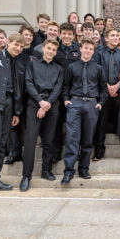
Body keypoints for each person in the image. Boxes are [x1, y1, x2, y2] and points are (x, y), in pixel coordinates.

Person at [61, 38, 108, 185]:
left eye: (90, 49)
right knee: (72, 138)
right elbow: (65, 86)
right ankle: (69, 171)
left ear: (93, 51)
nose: (87, 51)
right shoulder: (72, 67)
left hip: (91, 105)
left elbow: (104, 89)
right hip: (74, 103)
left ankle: (84, 168)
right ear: (80, 49)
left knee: (88, 139)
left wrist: (100, 103)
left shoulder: (98, 68)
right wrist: (66, 100)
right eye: (85, 48)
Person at [19, 39, 64, 191]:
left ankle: (46, 170)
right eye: (49, 48)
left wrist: (47, 104)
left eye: (53, 49)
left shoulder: (59, 68)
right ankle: (26, 176)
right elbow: (28, 83)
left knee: (50, 139)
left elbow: (58, 88)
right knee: (30, 140)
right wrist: (40, 102)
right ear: (43, 48)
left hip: (52, 105)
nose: (51, 51)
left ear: (56, 52)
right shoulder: (32, 64)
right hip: (34, 104)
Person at [0, 33, 25, 192]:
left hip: (9, 105)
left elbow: (18, 90)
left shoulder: (18, 64)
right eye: (16, 44)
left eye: (21, 46)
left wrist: (16, 112)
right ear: (8, 42)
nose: (18, 48)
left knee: (1, 144)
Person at [93, 28, 120, 159]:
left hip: (119, 93)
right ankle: (99, 151)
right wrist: (107, 86)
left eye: (117, 36)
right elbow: (97, 70)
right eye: (112, 35)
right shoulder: (98, 53)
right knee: (101, 123)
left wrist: (117, 86)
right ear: (106, 38)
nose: (115, 38)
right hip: (103, 92)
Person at [5, 25, 35, 165]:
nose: (28, 37)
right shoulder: (8, 57)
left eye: (30, 35)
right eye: (25, 35)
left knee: (24, 125)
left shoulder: (35, 53)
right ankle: (13, 151)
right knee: (13, 126)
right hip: (10, 97)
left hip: (26, 95)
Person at [52, 23, 81, 163]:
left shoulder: (78, 50)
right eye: (64, 33)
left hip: (73, 91)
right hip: (56, 91)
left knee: (74, 125)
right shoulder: (55, 49)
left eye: (70, 34)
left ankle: (75, 153)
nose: (67, 36)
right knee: (57, 123)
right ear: (60, 34)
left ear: (74, 35)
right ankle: (56, 152)